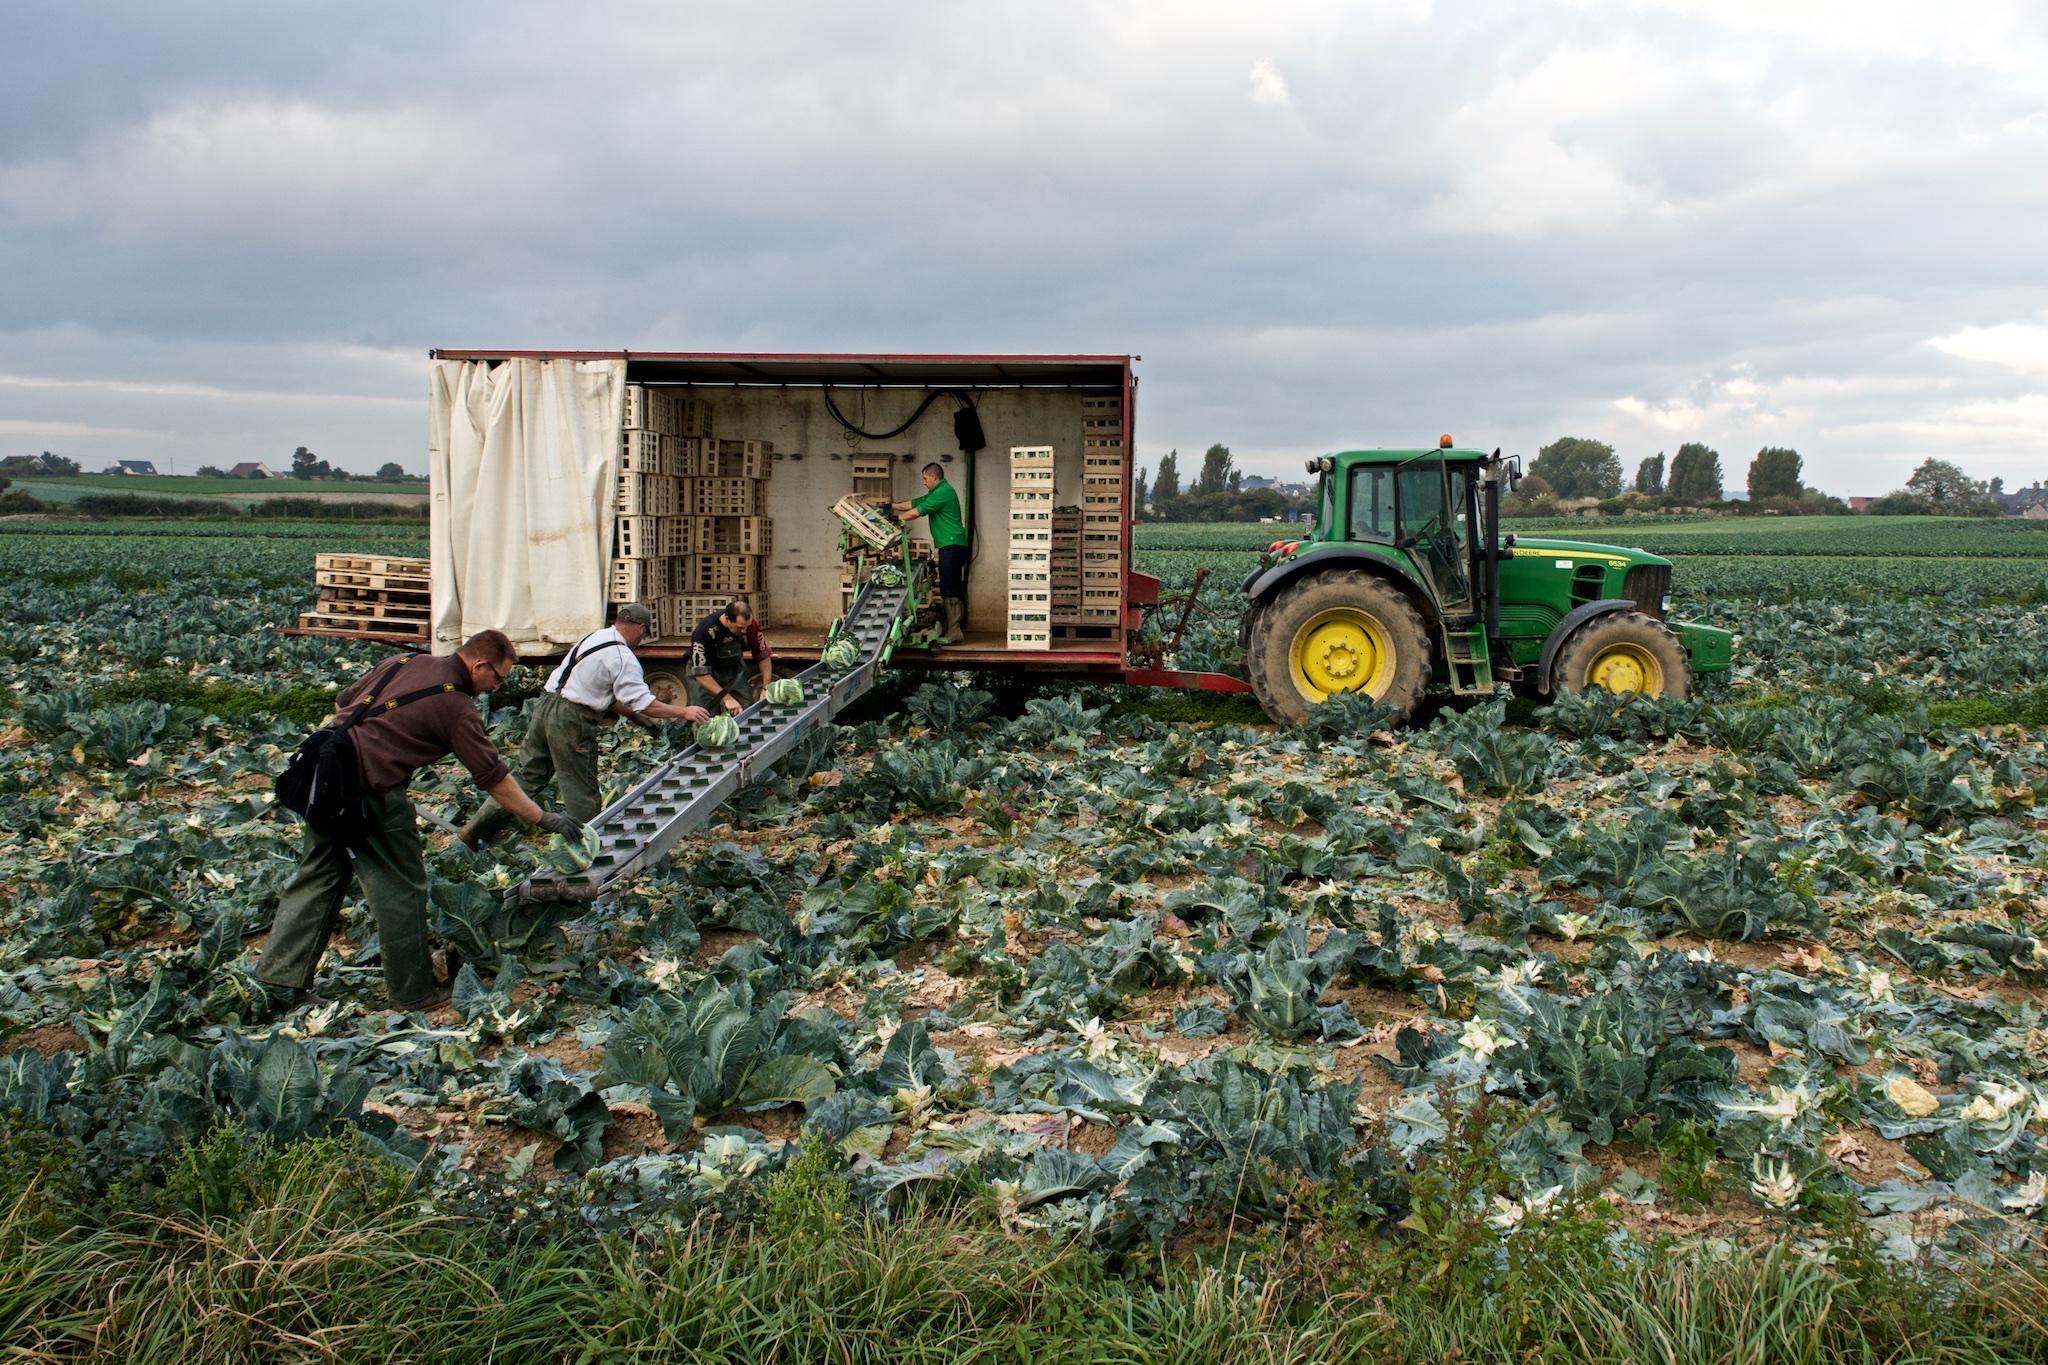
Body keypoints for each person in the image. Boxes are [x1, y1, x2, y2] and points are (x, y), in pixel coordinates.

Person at [255, 629, 576, 1012]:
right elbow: (494, 777)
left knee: (318, 874)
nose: (496, 687)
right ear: (479, 665)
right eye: (497, 678)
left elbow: (344, 700)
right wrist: (543, 817)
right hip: (371, 794)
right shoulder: (455, 706)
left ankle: (279, 980)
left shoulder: (404, 661)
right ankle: (412, 993)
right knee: (402, 888)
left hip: (324, 778)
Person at [461, 602, 709, 847]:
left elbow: (595, 688)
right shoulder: (622, 655)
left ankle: (474, 831)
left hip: (546, 706)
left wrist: (633, 716)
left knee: (527, 776)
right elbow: (644, 703)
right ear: (640, 628)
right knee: (581, 787)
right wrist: (683, 711)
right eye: (644, 635)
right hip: (571, 719)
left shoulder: (594, 638)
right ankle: (587, 849)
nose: (640, 640)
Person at [891, 462, 968, 645]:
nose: (924, 482)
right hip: (949, 544)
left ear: (934, 477)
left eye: (925, 479)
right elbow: (915, 503)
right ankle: (953, 627)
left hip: (952, 544)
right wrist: (891, 506)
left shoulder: (943, 492)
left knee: (950, 587)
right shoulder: (938, 491)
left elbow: (917, 512)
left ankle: (955, 631)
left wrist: (895, 518)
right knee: (948, 585)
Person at [686, 598, 769, 715]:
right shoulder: (705, 631)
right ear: (727, 619)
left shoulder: (750, 626)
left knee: (746, 710)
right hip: (707, 673)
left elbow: (763, 655)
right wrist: (727, 698)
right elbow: (701, 673)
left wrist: (766, 687)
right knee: (704, 715)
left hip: (733, 669)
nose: (745, 631)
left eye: (747, 626)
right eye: (740, 627)